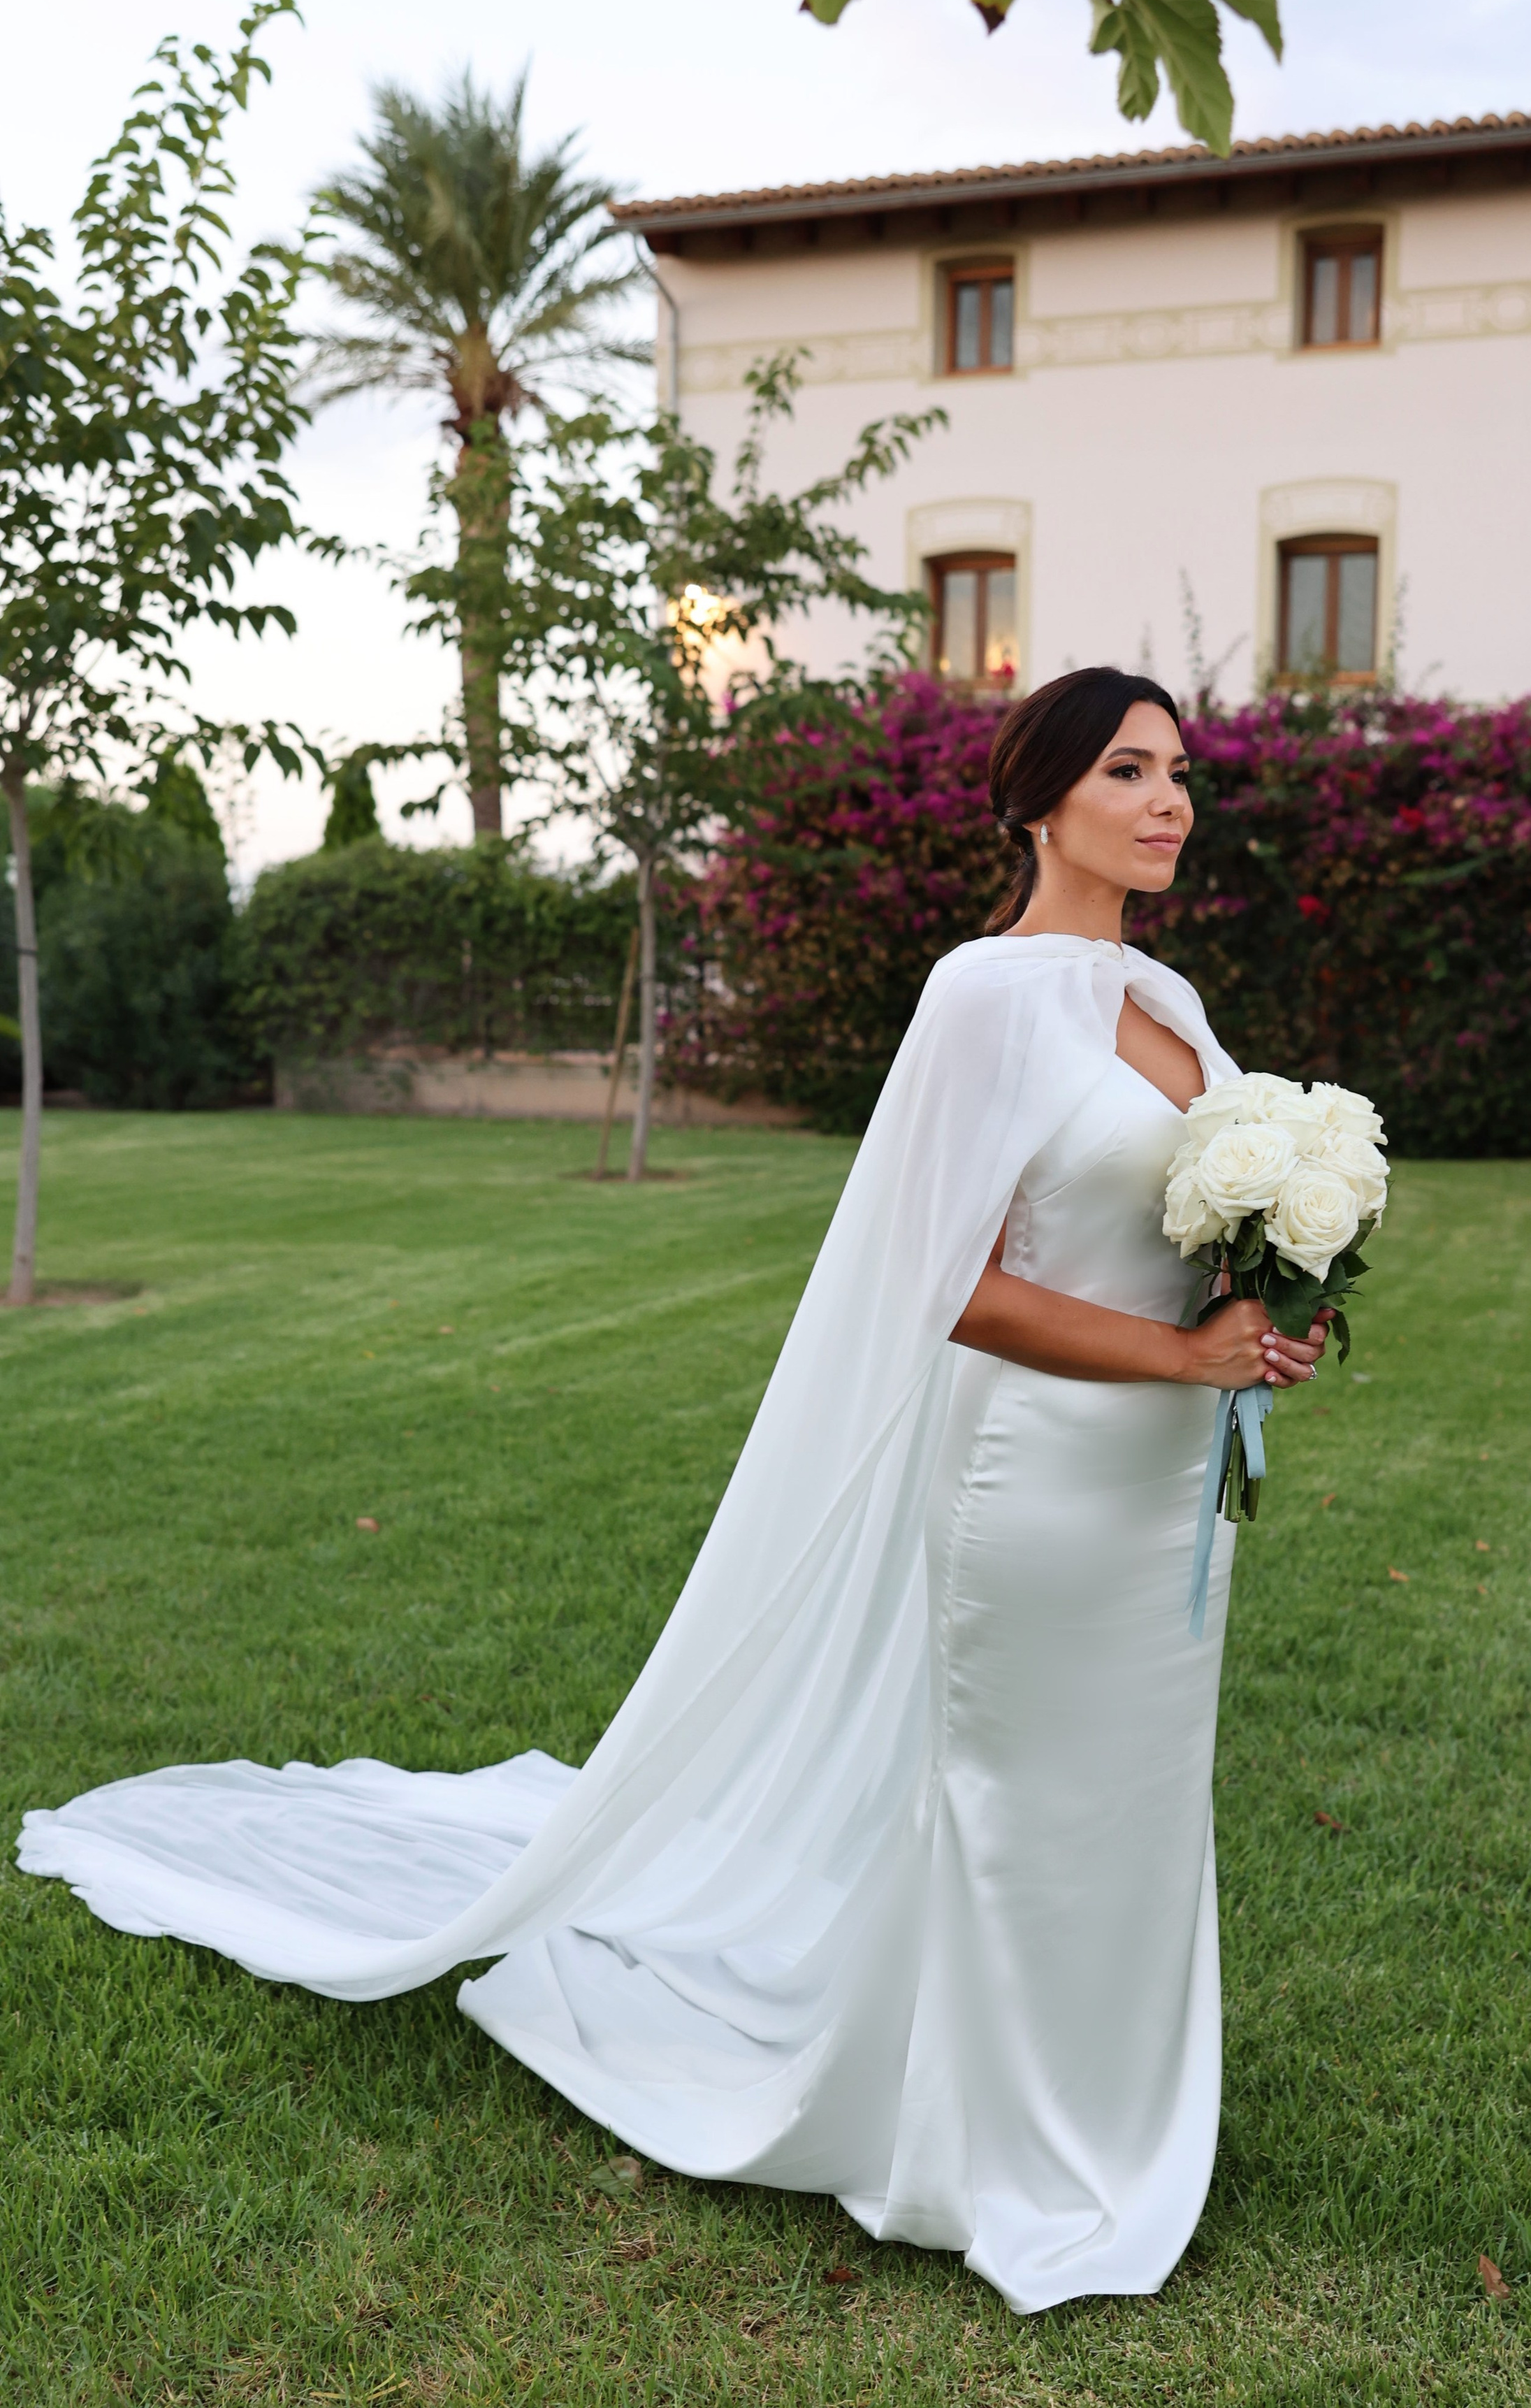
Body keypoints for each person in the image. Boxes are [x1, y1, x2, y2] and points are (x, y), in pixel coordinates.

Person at [20, 666, 1328, 2315]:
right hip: (1032, 1478)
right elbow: (946, 1286)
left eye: (1179, 773)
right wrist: (1172, 1366)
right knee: (1011, 1809)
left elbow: (1181, 1236)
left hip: (1161, 1496)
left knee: (1130, 1803)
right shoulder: (982, 994)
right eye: (1128, 771)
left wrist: (1259, 1316)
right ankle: (985, 2145)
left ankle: (1120, 2112)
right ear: (1035, 800)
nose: (1168, 802)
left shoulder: (1176, 999)